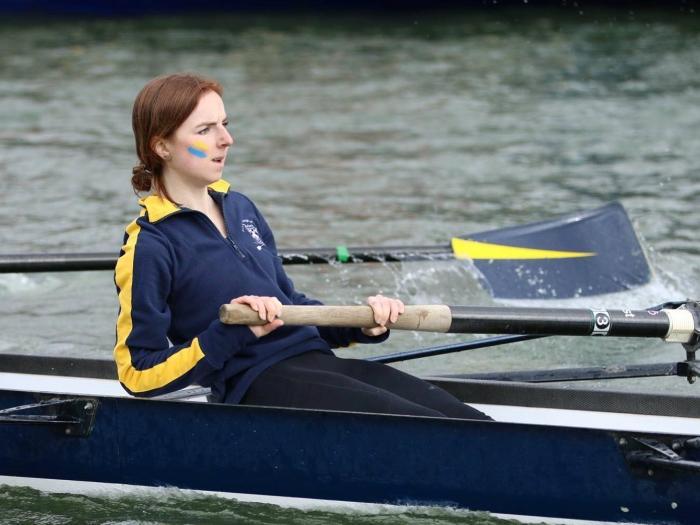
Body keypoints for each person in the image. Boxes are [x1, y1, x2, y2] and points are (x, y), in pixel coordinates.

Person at [114, 73, 490, 420]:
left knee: (472, 422)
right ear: (162, 146)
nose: (226, 139)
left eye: (224, 125)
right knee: (432, 428)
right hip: (259, 385)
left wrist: (363, 323)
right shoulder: (150, 245)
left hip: (317, 364)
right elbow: (138, 373)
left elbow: (289, 303)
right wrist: (234, 331)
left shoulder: (240, 207)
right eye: (205, 129)